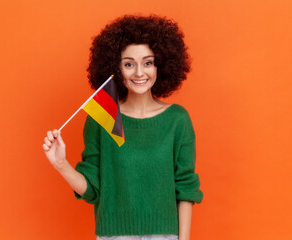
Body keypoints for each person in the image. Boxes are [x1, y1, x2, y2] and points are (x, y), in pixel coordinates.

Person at [42, 15, 203, 240]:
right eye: (129, 64)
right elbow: (92, 190)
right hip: (113, 236)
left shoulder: (177, 120)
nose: (139, 73)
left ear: (161, 65)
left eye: (148, 62)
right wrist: (60, 163)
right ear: (116, 69)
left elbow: (185, 189)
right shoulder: (102, 119)